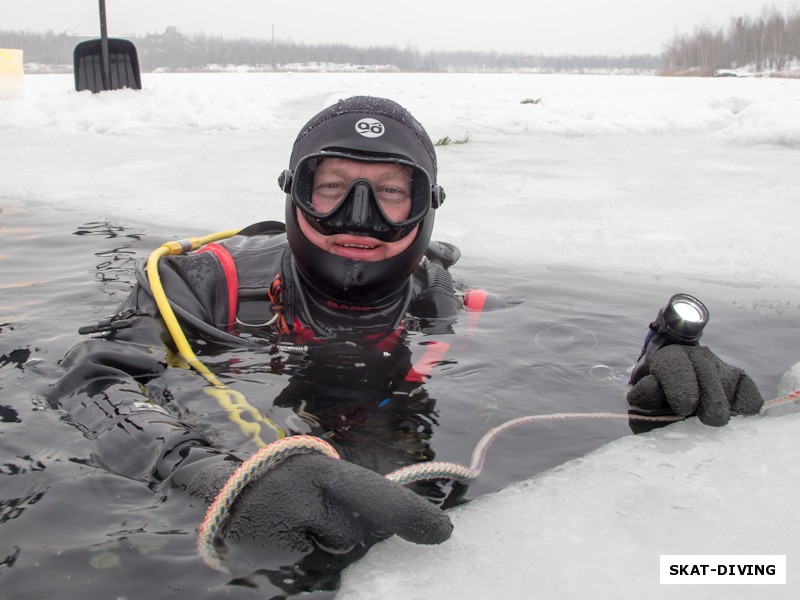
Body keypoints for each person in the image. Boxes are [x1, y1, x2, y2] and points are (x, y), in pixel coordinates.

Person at [47, 96, 764, 590]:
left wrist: (652, 366)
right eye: (332, 186)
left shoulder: (445, 301)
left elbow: (567, 343)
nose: (358, 216)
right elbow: (95, 383)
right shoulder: (202, 284)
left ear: (427, 209)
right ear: (293, 193)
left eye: (391, 193)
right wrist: (204, 475)